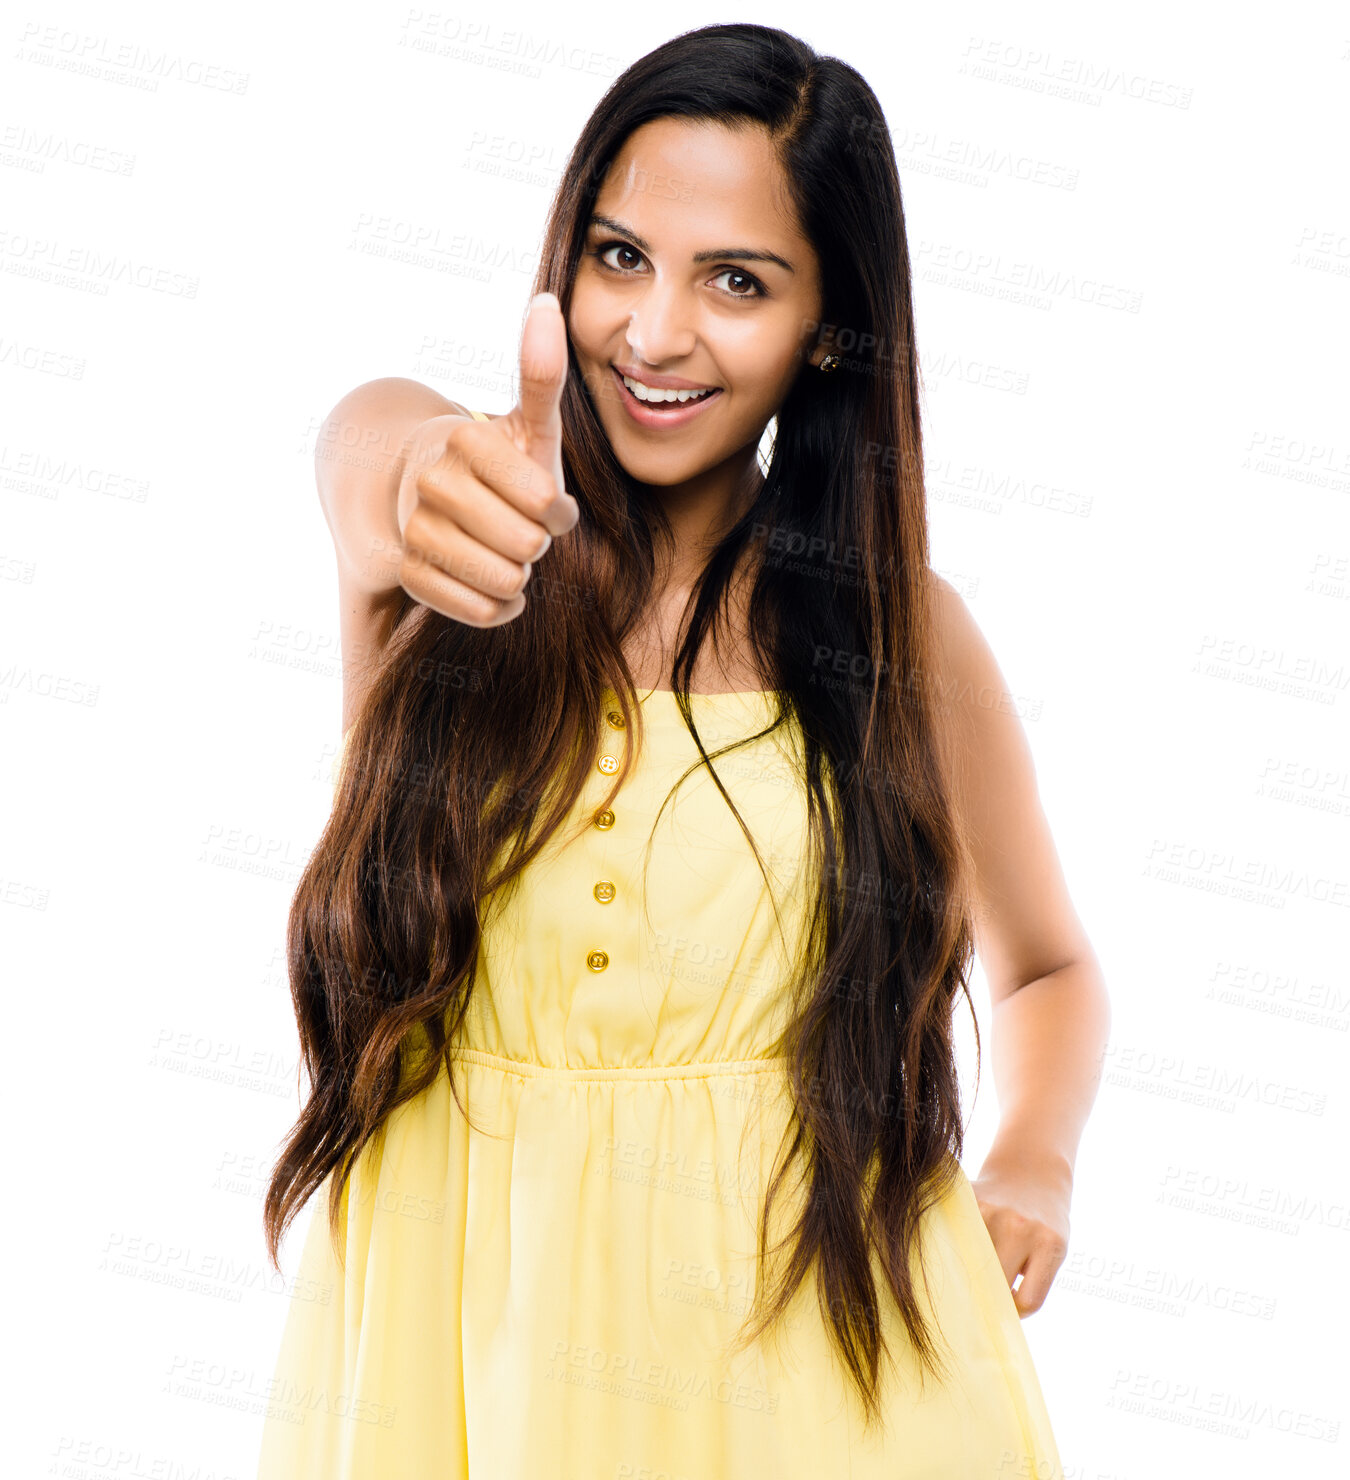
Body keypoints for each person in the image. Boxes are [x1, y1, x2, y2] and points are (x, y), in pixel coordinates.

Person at [256, 22, 1110, 1478]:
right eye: (617, 256)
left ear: (827, 325)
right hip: (455, 1348)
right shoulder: (460, 556)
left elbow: (1044, 967)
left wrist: (1031, 1158)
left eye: (735, 282)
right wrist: (387, 463)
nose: (654, 334)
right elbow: (368, 446)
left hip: (814, 1351)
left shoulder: (897, 638)